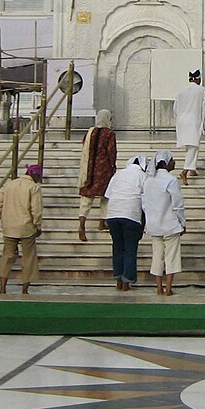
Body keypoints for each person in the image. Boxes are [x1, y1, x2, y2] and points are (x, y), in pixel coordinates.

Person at [142, 150, 186, 296]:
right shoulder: (171, 180)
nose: (174, 162)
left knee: (157, 257)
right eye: (172, 160)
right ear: (166, 163)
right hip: (170, 224)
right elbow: (177, 204)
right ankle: (168, 288)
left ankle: (159, 287)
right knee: (171, 256)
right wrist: (182, 222)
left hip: (154, 225)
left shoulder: (148, 180)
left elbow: (144, 203)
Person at [0, 164, 43, 295]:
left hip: (9, 226)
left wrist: (2, 217)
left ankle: (2, 288)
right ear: (36, 175)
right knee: (29, 258)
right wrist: (37, 225)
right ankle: (25, 289)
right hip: (26, 227)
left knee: (7, 256)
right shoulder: (33, 187)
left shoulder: (10, 184)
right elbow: (36, 209)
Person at [105, 155, 148, 291]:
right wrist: (144, 224)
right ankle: (126, 281)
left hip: (113, 214)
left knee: (117, 247)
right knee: (130, 248)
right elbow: (146, 201)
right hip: (131, 214)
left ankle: (118, 278)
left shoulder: (118, 174)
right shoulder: (143, 176)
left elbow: (108, 194)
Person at [77, 108, 118, 242]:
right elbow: (111, 151)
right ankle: (102, 222)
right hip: (103, 170)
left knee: (86, 199)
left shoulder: (90, 132)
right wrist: (113, 167)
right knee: (106, 196)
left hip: (89, 169)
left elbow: (84, 146)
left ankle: (82, 225)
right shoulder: (109, 134)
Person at [174, 69, 205, 185]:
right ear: (198, 79)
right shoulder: (202, 90)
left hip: (182, 121)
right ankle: (185, 171)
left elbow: (175, 108)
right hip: (194, 121)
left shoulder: (180, 91)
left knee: (190, 146)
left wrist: (178, 119)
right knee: (194, 146)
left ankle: (192, 170)